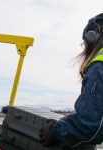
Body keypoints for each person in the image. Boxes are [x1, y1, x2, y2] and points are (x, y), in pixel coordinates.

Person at [39, 13, 103, 150]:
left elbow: (91, 127)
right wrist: (64, 122)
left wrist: (57, 131)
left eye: (85, 42)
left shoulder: (100, 66)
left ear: (93, 37)